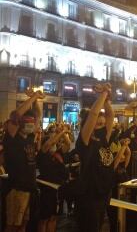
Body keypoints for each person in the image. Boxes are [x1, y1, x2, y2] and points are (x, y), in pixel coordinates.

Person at [75, 83, 115, 232]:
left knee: (99, 227)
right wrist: (103, 94)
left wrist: (107, 100)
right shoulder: (84, 140)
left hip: (104, 192)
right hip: (89, 195)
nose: (102, 121)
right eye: (99, 119)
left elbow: (111, 116)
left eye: (102, 120)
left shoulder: (102, 137)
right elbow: (92, 114)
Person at [3, 89, 44, 232]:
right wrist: (32, 98)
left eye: (32, 123)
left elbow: (38, 115)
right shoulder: (12, 137)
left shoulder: (30, 138)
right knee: (12, 224)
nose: (32, 125)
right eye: (28, 122)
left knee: (23, 225)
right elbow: (15, 115)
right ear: (20, 124)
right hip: (16, 189)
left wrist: (37, 99)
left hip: (29, 188)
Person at [37, 126, 71, 232]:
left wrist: (63, 133)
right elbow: (49, 144)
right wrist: (60, 133)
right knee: (44, 219)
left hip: (59, 191)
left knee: (54, 217)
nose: (54, 145)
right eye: (53, 143)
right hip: (47, 191)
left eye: (55, 144)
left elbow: (68, 144)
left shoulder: (58, 155)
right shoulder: (42, 155)